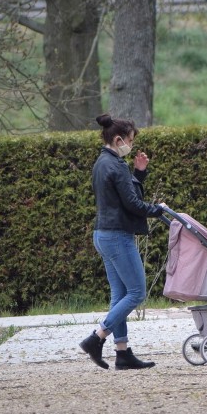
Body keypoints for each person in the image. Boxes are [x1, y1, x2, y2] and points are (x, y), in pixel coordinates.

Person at [79, 114, 164, 370]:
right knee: (136, 292)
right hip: (117, 236)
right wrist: (158, 209)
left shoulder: (102, 163)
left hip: (102, 234)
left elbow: (123, 196)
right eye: (129, 141)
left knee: (120, 295)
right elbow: (133, 204)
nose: (130, 146)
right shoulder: (116, 166)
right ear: (118, 139)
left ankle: (123, 353)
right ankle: (97, 338)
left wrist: (139, 173)